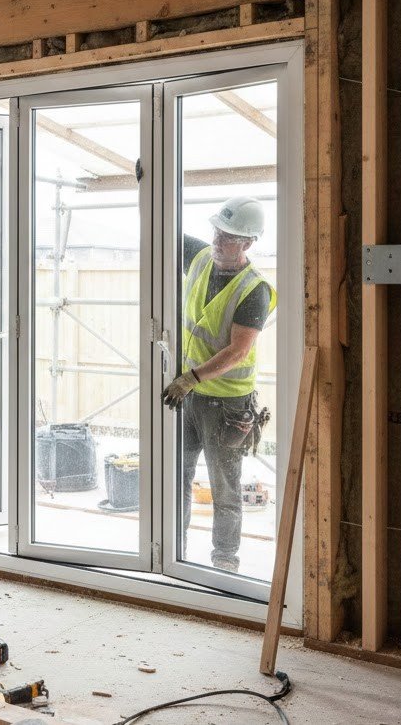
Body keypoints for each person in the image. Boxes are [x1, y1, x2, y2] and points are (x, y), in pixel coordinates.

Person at [162, 195, 276, 573]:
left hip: (226, 404)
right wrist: (147, 186)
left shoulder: (253, 289)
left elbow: (237, 352)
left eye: (227, 236)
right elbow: (162, 228)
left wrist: (189, 379)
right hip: (190, 394)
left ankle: (224, 563)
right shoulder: (199, 259)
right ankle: (172, 553)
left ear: (247, 243)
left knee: (225, 487)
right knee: (177, 475)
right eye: (216, 230)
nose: (216, 239)